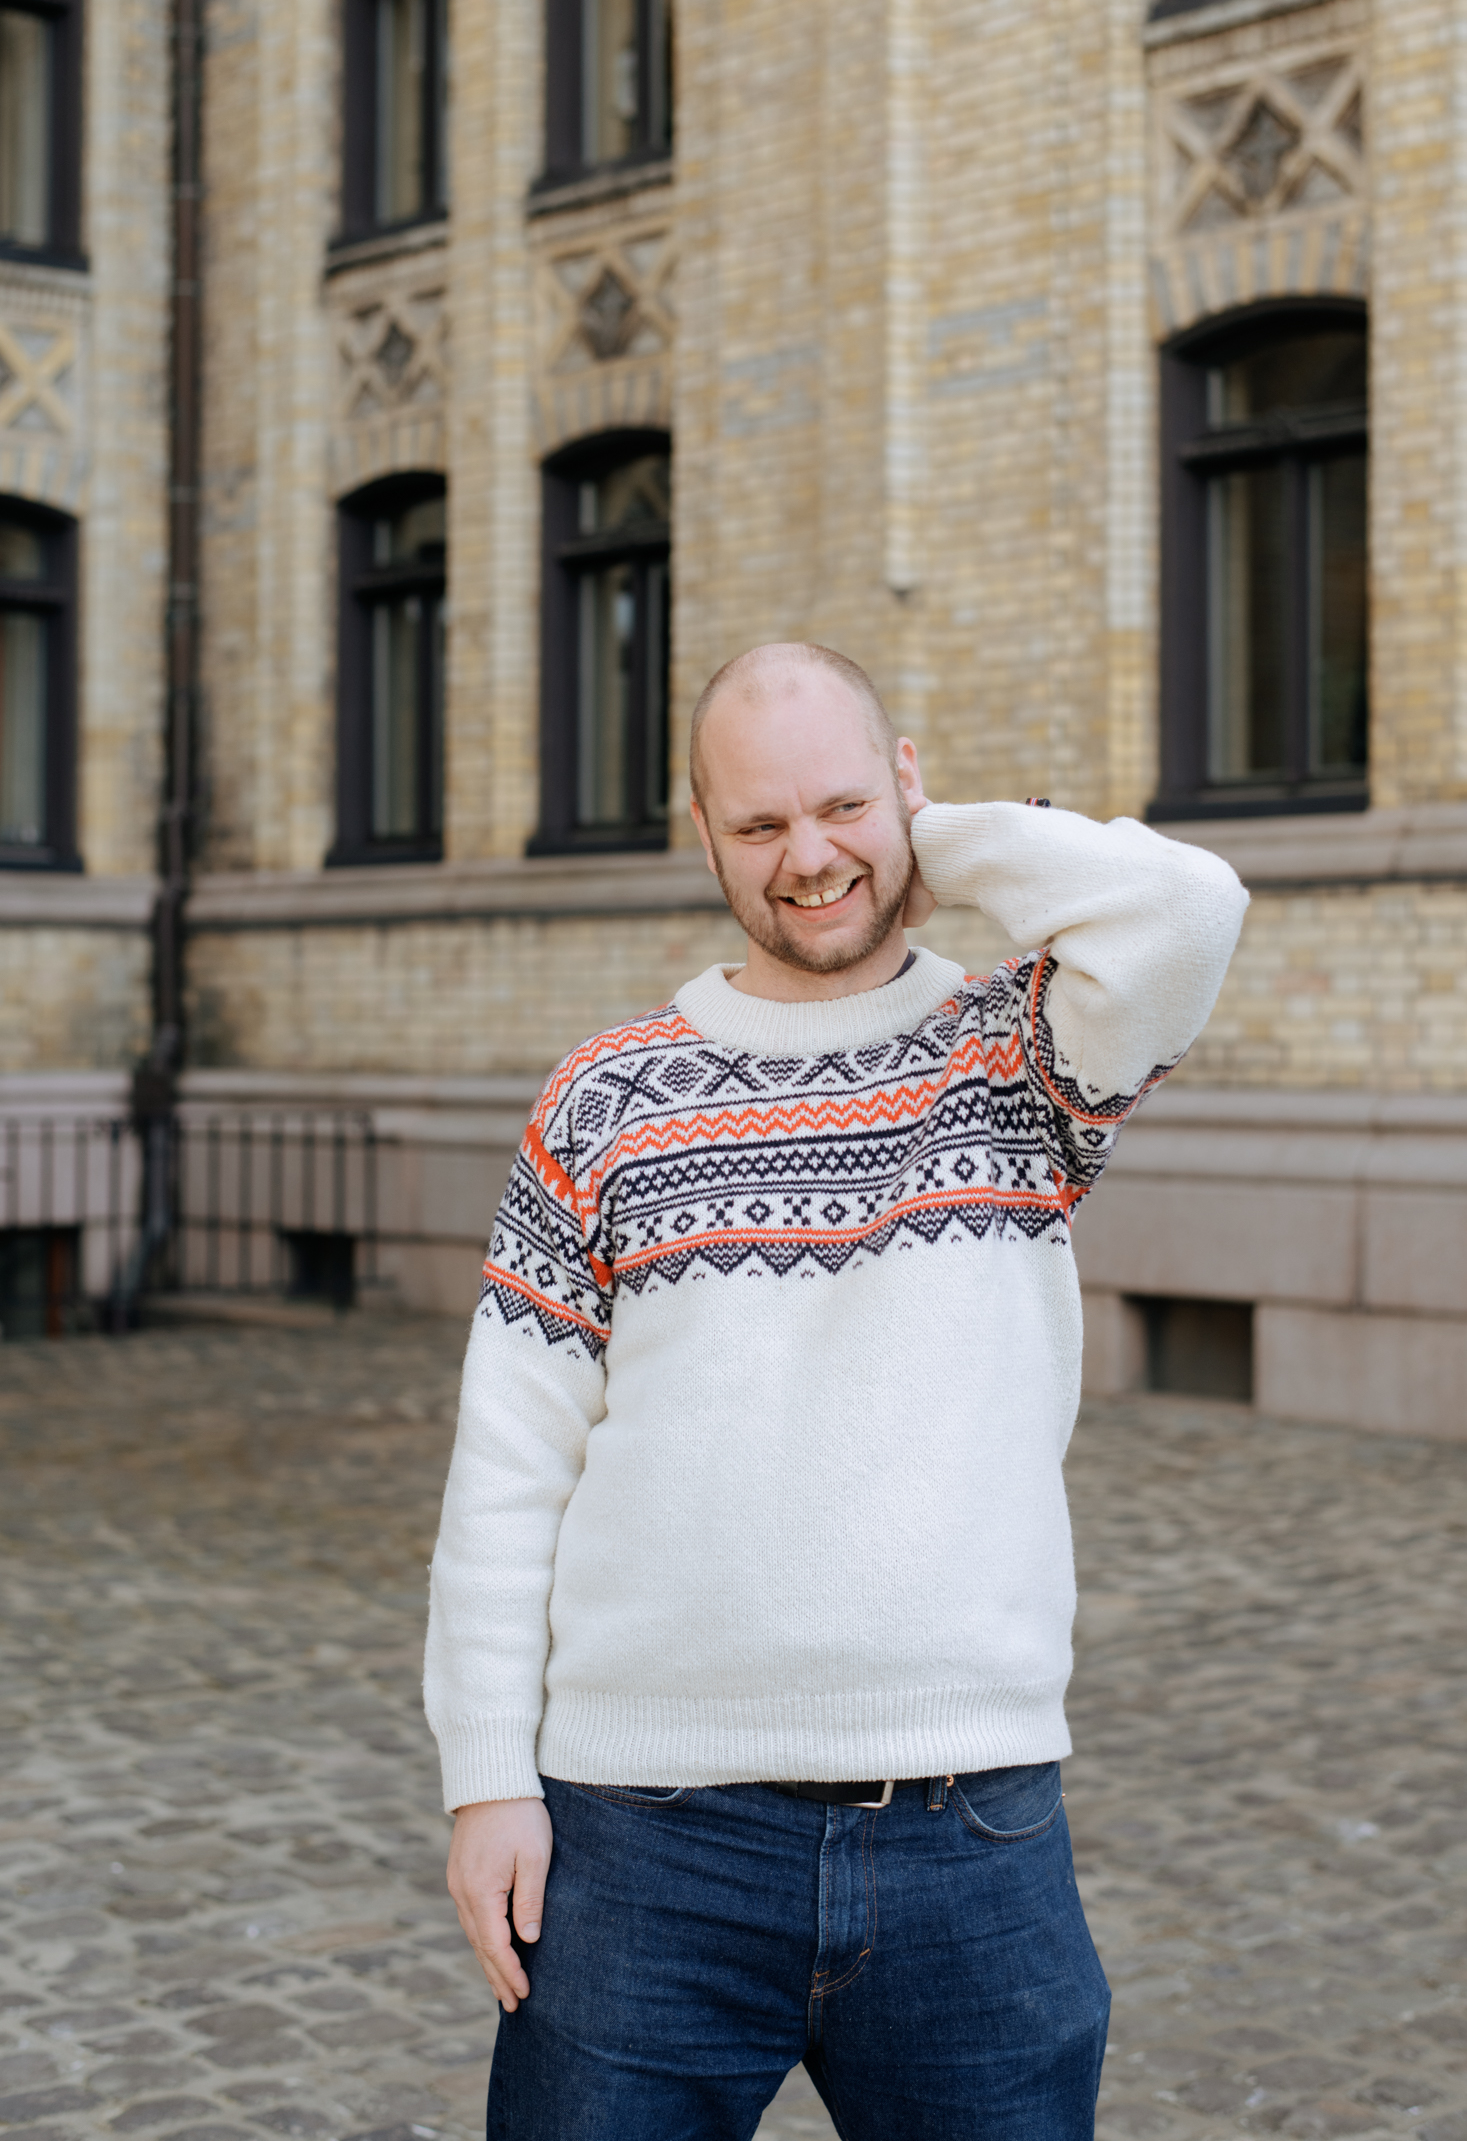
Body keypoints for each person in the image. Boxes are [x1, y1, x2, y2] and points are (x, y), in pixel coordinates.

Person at [424, 641, 1248, 2140]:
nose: (809, 858)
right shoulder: (601, 1102)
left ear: (909, 787)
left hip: (969, 1829)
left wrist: (947, 844)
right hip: (642, 1841)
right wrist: (489, 1779)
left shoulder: (1020, 1051)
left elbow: (1191, 907)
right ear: (704, 836)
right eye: (759, 825)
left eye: (846, 805)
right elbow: (506, 1471)